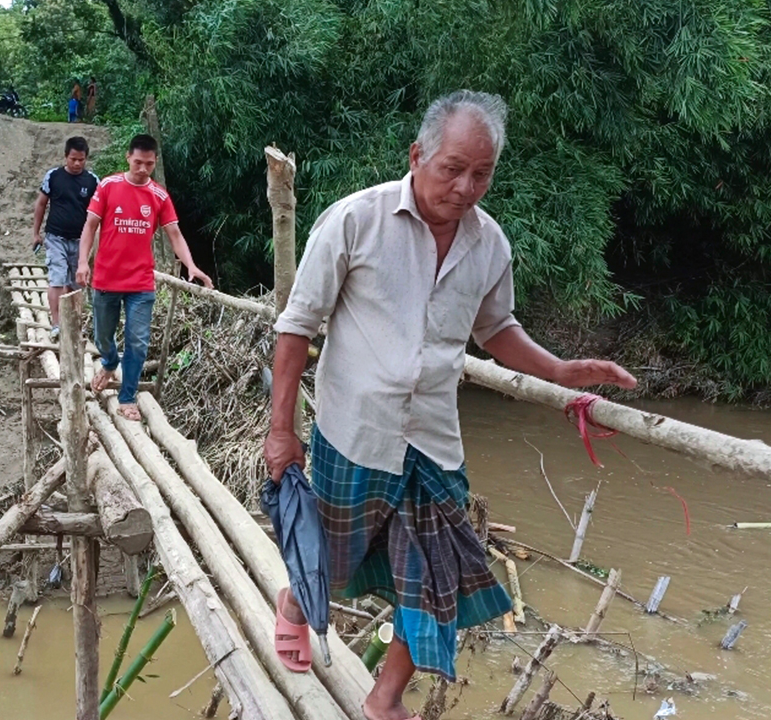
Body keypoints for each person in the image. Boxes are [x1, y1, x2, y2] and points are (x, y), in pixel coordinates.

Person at [263, 91, 637, 720]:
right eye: (452, 168)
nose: (466, 187)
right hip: (354, 430)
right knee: (331, 556)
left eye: (482, 174)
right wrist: (282, 430)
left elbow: (496, 330)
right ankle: (296, 604)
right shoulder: (356, 220)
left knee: (436, 580)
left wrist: (561, 370)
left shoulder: (489, 245)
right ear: (418, 155)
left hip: (432, 441)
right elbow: (296, 327)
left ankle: (384, 698)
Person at [76, 134, 213, 421]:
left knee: (137, 341)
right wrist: (82, 263)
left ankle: (127, 397)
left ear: (155, 162)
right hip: (106, 278)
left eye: (149, 164)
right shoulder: (108, 186)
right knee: (102, 335)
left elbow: (174, 233)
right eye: (138, 162)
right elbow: (90, 226)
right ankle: (110, 361)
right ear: (128, 157)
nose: (143, 169)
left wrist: (191, 266)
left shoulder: (159, 195)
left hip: (140, 282)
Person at [33, 136, 99, 340]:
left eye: (81, 159)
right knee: (57, 278)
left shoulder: (92, 181)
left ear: (86, 158)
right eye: (73, 159)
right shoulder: (53, 177)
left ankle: (73, 322)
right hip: (55, 238)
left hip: (80, 240)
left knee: (76, 282)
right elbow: (41, 204)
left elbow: (97, 213)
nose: (77, 163)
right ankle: (56, 323)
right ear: (65, 157)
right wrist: (36, 233)